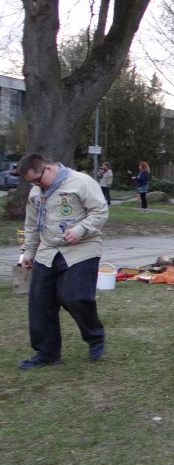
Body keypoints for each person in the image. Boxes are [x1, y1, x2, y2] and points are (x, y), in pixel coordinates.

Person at [17, 153, 109, 369]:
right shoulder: (36, 192)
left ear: (47, 168)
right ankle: (47, 353)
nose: (36, 185)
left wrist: (80, 229)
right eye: (31, 182)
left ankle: (95, 336)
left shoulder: (81, 182)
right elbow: (31, 225)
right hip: (48, 250)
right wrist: (28, 252)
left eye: (37, 179)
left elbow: (100, 211)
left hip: (82, 247)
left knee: (74, 297)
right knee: (40, 302)